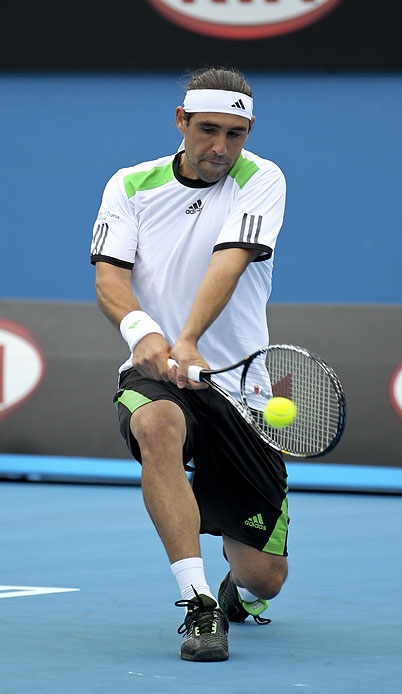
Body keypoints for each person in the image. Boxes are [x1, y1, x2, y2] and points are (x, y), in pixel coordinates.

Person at [90, 67, 289, 662]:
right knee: (157, 424)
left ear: (249, 132)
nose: (221, 147)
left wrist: (188, 340)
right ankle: (199, 602)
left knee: (265, 578)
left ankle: (235, 589)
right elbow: (110, 279)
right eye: (208, 130)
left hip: (240, 388)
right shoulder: (130, 185)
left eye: (235, 133)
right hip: (157, 374)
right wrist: (143, 331)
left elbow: (229, 261)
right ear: (181, 121)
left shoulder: (263, 178)